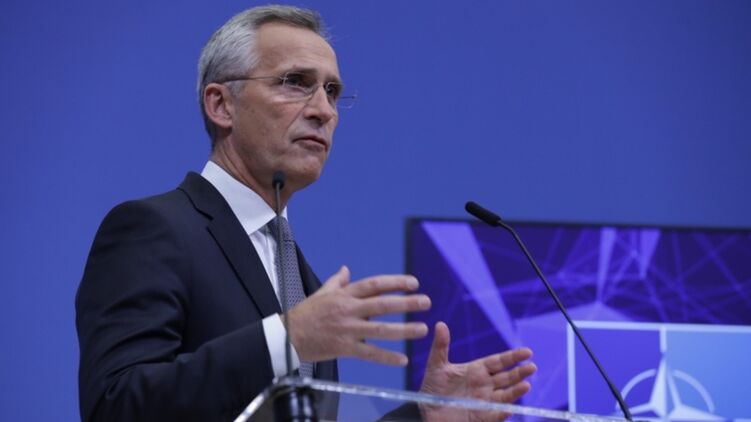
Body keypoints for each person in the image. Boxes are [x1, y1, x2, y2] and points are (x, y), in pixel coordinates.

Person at [76, 5, 536, 421]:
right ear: (221, 104)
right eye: (295, 82)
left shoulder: (301, 278)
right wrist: (287, 339)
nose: (323, 110)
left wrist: (423, 418)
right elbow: (115, 404)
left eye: (332, 91)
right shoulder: (154, 230)